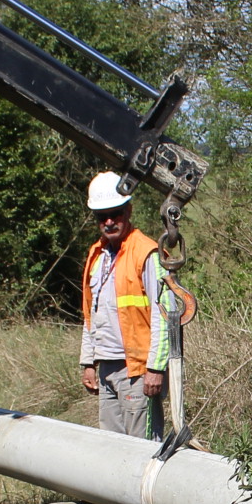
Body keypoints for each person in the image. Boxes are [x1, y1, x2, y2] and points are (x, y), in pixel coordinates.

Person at [77, 171, 173, 438]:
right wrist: (87, 361)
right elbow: (91, 313)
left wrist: (155, 369)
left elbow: (163, 316)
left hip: (137, 370)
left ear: (128, 210)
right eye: (101, 216)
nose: (109, 221)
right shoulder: (97, 256)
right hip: (106, 367)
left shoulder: (147, 253)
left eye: (115, 213)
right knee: (112, 447)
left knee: (143, 447)